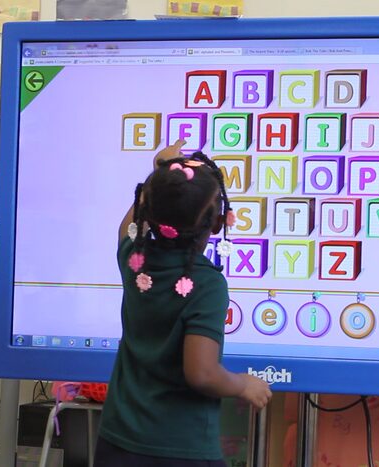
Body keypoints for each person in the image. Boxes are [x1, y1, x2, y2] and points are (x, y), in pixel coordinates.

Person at [95, 140, 272, 467]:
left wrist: (160, 170)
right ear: (218, 223)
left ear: (147, 211)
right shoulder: (207, 285)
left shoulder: (135, 259)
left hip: (117, 443)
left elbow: (128, 226)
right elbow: (202, 373)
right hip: (179, 450)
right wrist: (244, 384)